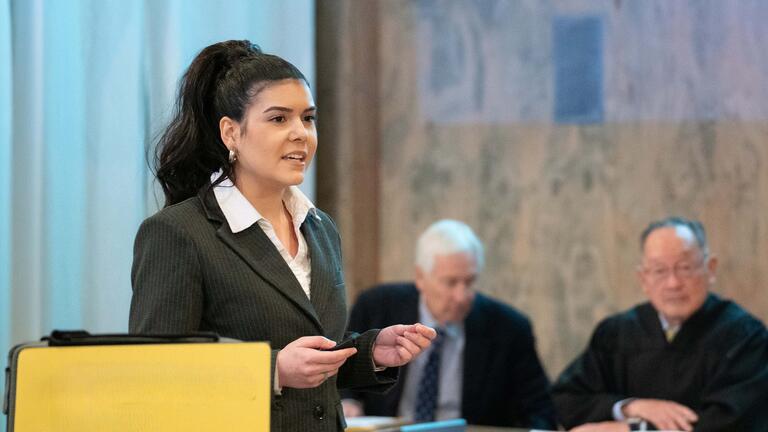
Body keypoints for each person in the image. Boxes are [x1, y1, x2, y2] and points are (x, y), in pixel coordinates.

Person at [128, 40, 436, 432]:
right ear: (231, 133)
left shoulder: (320, 227)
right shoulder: (178, 233)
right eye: (278, 119)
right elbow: (153, 370)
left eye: (308, 118)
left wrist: (368, 351)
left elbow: (312, 348)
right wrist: (272, 370)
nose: (300, 134)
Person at [552, 217, 768, 432]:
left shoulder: (745, 338)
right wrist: (630, 407)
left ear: (710, 268)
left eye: (684, 268)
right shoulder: (616, 333)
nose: (673, 283)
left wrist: (636, 430)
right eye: (659, 270)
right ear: (643, 278)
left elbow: (734, 422)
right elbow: (565, 400)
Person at [342, 219, 557, 428]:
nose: (461, 296)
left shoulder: (509, 328)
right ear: (420, 277)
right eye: (451, 282)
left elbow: (540, 409)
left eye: (470, 281)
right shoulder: (377, 306)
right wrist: (348, 401)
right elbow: (342, 365)